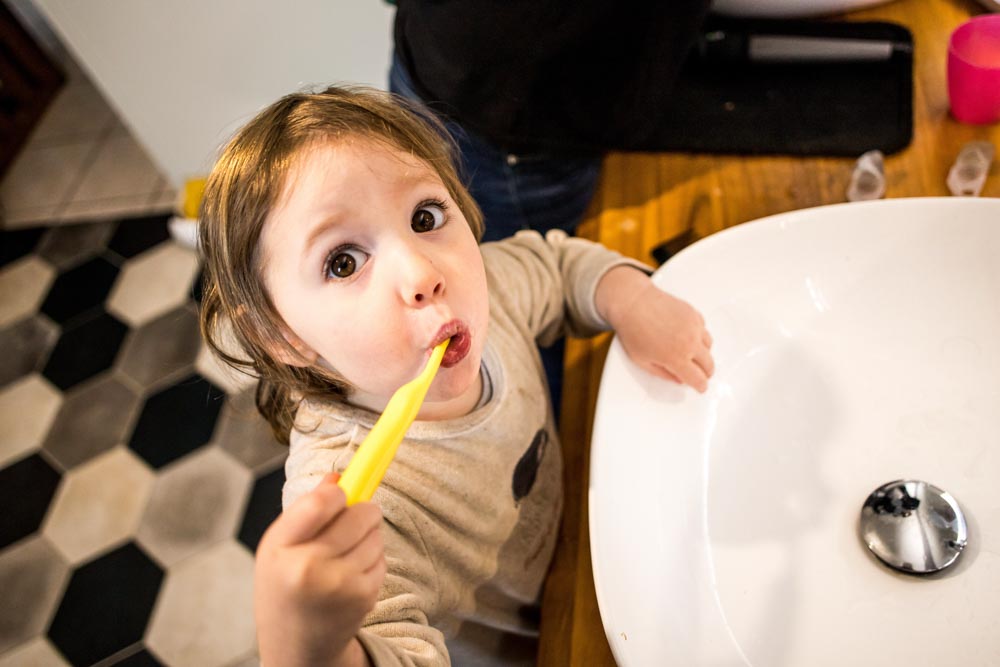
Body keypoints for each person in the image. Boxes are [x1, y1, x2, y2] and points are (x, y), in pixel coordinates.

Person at [198, 85, 714, 667]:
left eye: (424, 217)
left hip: (590, 539)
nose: (423, 272)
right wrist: (313, 647)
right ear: (281, 334)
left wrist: (630, 297)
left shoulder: (489, 289)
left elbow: (556, 264)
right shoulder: (358, 501)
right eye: (343, 262)